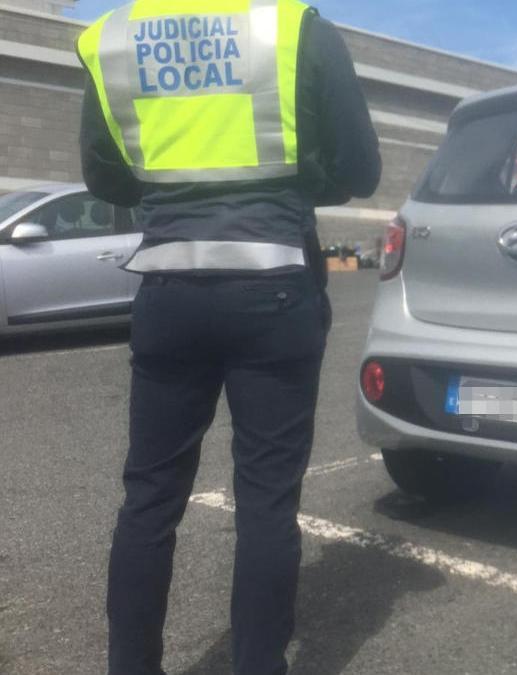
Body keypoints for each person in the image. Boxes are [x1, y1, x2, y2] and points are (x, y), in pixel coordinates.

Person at [76, 1, 381, 673]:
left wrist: (176, 187)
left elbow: (103, 176)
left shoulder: (112, 37)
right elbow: (361, 169)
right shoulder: (296, 28)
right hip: (271, 280)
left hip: (168, 284)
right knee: (266, 500)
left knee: (149, 496)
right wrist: (299, 179)